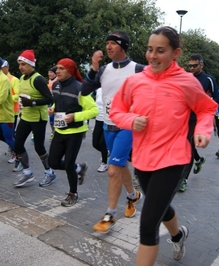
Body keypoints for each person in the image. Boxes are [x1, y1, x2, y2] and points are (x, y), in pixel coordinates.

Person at [110, 26, 217, 265]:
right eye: (149, 50)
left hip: (174, 158)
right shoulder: (134, 81)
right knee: (160, 206)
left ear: (175, 52)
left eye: (160, 51)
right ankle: (178, 235)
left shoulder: (186, 82)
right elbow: (116, 111)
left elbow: (206, 108)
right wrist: (131, 120)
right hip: (144, 158)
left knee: (148, 224)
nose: (152, 56)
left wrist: (202, 131)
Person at [81, 30, 144, 233]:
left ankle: (110, 214)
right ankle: (133, 195)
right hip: (108, 125)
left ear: (123, 46)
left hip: (127, 126)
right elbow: (84, 90)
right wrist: (94, 67)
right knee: (120, 164)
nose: (108, 46)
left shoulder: (138, 69)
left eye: (113, 43)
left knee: (113, 169)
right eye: (106, 43)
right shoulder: (104, 70)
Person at [48, 58, 98, 207]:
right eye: (57, 68)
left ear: (70, 71)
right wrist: (54, 108)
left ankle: (73, 193)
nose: (57, 71)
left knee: (68, 163)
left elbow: (94, 110)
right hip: (60, 129)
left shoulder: (80, 89)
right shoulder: (56, 84)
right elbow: (59, 101)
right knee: (53, 162)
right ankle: (79, 168)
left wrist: (75, 116)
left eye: (61, 69)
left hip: (75, 131)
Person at [12, 49, 56, 187]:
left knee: (39, 147)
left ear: (31, 64)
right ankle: (27, 172)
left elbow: (49, 98)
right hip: (25, 117)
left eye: (23, 64)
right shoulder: (21, 78)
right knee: (17, 144)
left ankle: (49, 172)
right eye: (19, 64)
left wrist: (32, 103)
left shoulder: (38, 79)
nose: (20, 67)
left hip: (38, 118)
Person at [179, 53, 219, 192]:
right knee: (184, 144)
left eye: (194, 66)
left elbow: (216, 99)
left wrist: (205, 113)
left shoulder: (209, 79)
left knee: (188, 147)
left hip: (197, 118)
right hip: (182, 117)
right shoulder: (185, 77)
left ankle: (183, 179)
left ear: (201, 65)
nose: (191, 68)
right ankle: (198, 159)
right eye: (189, 66)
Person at [2, 60, 20, 163]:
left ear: (7, 68)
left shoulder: (13, 79)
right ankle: (12, 147)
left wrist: (4, 98)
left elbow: (16, 95)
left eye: (2, 67)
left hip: (11, 111)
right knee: (3, 133)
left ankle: (16, 153)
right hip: (0, 111)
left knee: (11, 133)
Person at [92, 88, 109, 172]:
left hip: (108, 120)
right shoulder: (98, 89)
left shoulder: (110, 88)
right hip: (98, 119)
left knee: (102, 142)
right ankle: (106, 152)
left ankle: (104, 163)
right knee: (95, 143)